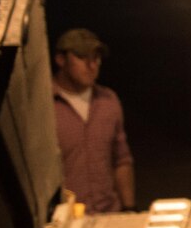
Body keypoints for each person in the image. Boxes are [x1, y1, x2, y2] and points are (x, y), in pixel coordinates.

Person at [52, 28, 135, 214]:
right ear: (61, 60)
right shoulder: (44, 106)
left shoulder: (108, 101)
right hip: (66, 220)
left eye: (96, 58)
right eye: (82, 58)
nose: (92, 65)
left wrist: (129, 207)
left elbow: (121, 159)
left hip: (109, 213)